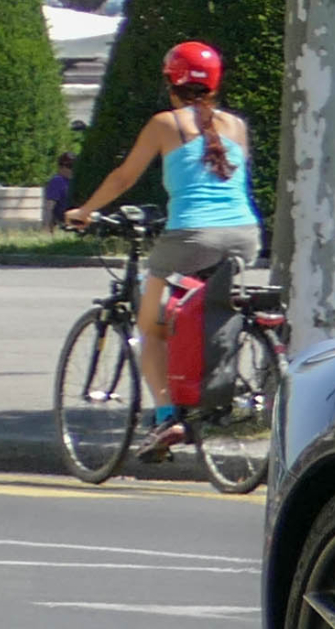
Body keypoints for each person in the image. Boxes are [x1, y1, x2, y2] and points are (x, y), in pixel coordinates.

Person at [64, 42, 261, 459]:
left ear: (171, 81)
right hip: (245, 234)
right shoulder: (236, 125)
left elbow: (123, 177)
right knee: (203, 310)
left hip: (192, 236)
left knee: (150, 328)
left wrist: (84, 210)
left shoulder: (164, 124)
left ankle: (167, 415)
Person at [42, 152, 75, 230]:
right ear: (61, 167)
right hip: (64, 223)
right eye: (70, 166)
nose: (73, 170)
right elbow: (49, 207)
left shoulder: (75, 181)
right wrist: (47, 227)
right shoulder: (57, 181)